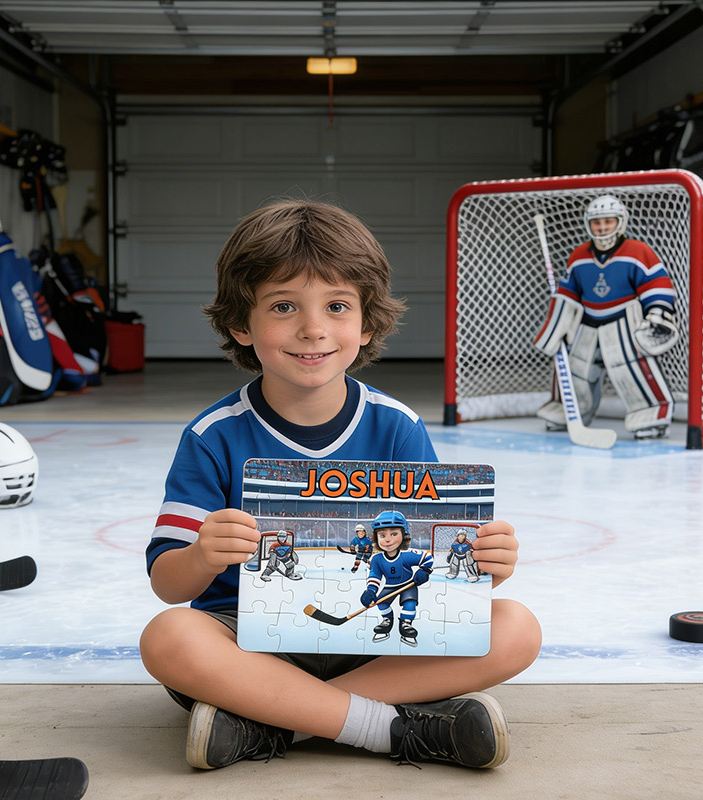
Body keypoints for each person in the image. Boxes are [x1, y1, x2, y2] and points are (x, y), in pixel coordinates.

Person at [139, 199, 541, 772]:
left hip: (374, 649)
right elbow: (167, 585)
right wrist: (202, 555)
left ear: (367, 322)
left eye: (336, 305)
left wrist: (484, 565)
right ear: (240, 324)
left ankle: (270, 723)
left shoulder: (398, 427)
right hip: (251, 647)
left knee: (517, 627)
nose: (313, 329)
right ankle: (394, 729)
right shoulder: (212, 436)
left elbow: (443, 577)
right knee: (169, 638)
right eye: (283, 306)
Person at [533, 194, 679, 438]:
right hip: (587, 323)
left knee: (631, 369)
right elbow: (567, 293)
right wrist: (555, 327)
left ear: (620, 222)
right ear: (588, 224)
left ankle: (650, 415)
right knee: (576, 369)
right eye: (596, 223)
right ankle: (568, 411)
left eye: (608, 222)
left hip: (623, 323)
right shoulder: (579, 255)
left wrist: (657, 313)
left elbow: (657, 285)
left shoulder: (638, 251)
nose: (601, 228)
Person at [361, 511, 432, 646]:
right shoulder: (377, 559)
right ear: (376, 537)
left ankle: (406, 624)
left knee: (409, 603)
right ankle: (387, 620)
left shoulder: (407, 555)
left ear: (404, 535)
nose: (387, 540)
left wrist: (424, 571)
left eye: (394, 534)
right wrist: (370, 590)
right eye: (382, 535)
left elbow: (427, 557)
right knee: (381, 602)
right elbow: (375, 576)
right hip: (390, 586)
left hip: (409, 584)